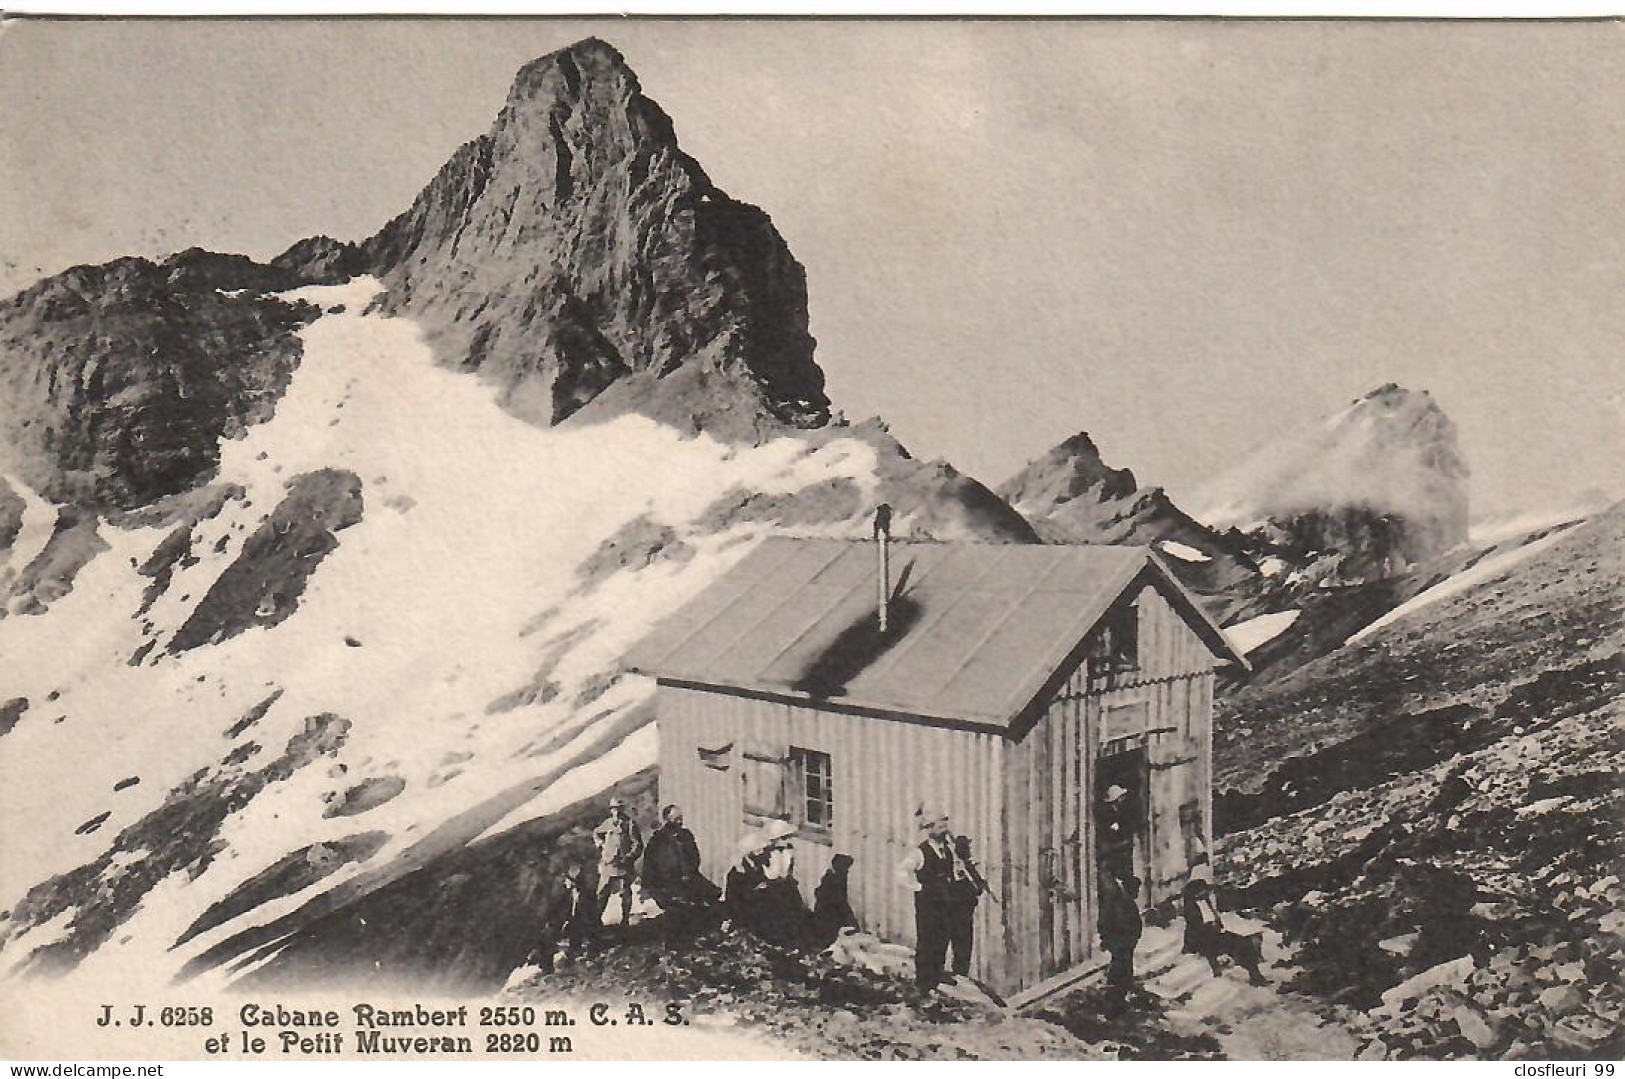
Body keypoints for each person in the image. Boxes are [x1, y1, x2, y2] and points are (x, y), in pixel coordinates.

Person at [897, 808, 978, 991]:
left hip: (944, 906)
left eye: (945, 825)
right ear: (929, 829)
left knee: (941, 941)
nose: (944, 829)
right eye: (940, 826)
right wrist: (919, 887)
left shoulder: (947, 851)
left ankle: (936, 977)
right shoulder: (919, 853)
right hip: (928, 907)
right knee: (927, 942)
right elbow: (901, 873)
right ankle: (924, 984)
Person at [1181, 866, 1267, 986]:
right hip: (1203, 940)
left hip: (1214, 935)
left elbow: (1216, 919)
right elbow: (1197, 930)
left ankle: (1255, 975)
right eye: (1202, 891)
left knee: (1244, 942)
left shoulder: (1207, 902)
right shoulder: (1191, 908)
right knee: (1236, 944)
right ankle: (1252, 973)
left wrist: (1218, 927)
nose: (1205, 893)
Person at [641, 804, 717, 915]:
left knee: (712, 895)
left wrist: (690, 871)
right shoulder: (658, 839)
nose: (680, 822)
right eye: (677, 819)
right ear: (667, 819)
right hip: (668, 882)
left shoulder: (686, 835)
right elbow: (649, 864)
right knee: (680, 906)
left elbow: (695, 856)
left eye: (681, 818)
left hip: (690, 877)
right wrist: (648, 886)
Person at [526, 865, 593, 973]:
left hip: (569, 916)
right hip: (555, 916)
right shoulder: (557, 890)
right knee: (549, 935)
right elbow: (551, 908)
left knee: (575, 928)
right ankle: (545, 964)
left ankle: (572, 955)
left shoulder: (580, 892)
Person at [593, 796, 644, 927]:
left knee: (625, 893)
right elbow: (596, 832)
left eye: (619, 809)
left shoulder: (630, 824)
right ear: (611, 810)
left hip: (623, 865)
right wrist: (601, 844)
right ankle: (596, 921)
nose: (617, 812)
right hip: (608, 863)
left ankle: (625, 920)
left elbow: (638, 845)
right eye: (614, 809)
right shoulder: (608, 822)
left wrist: (628, 857)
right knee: (602, 893)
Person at [1098, 869, 1144, 1003]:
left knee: (1124, 967)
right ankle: (1115, 997)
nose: (1137, 893)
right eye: (1136, 890)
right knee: (1121, 968)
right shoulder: (1119, 901)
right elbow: (1108, 920)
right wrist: (1106, 938)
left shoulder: (1125, 900)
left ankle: (1119, 995)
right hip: (1120, 942)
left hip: (1125, 943)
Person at [947, 835, 989, 979]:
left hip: (965, 914)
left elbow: (977, 887)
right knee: (961, 945)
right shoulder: (957, 869)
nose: (969, 851)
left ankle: (960, 974)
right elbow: (971, 890)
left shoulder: (968, 867)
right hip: (959, 913)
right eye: (967, 848)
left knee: (963, 946)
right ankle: (959, 975)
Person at [811, 854, 859, 949]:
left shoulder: (835, 878)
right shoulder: (834, 880)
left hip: (831, 916)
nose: (847, 871)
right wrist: (852, 922)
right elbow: (840, 902)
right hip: (828, 918)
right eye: (846, 869)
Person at [1096, 783, 1136, 883]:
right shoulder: (1109, 813)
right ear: (1117, 799)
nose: (1123, 799)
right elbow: (1108, 836)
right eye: (1121, 797)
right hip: (1110, 850)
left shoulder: (1117, 811)